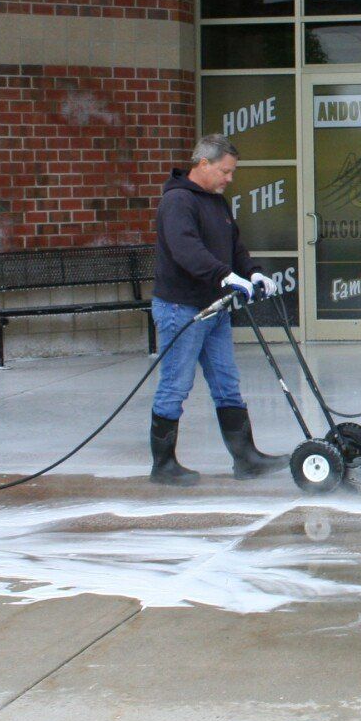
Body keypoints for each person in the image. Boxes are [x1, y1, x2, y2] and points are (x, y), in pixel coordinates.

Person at [148, 134, 282, 485]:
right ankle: (163, 466)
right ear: (203, 164)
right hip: (182, 309)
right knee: (175, 386)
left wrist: (252, 273)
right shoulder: (178, 202)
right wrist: (225, 276)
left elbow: (233, 245)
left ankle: (247, 459)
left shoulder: (216, 203)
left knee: (227, 382)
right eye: (225, 171)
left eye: (232, 172)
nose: (229, 178)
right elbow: (186, 250)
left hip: (215, 308)